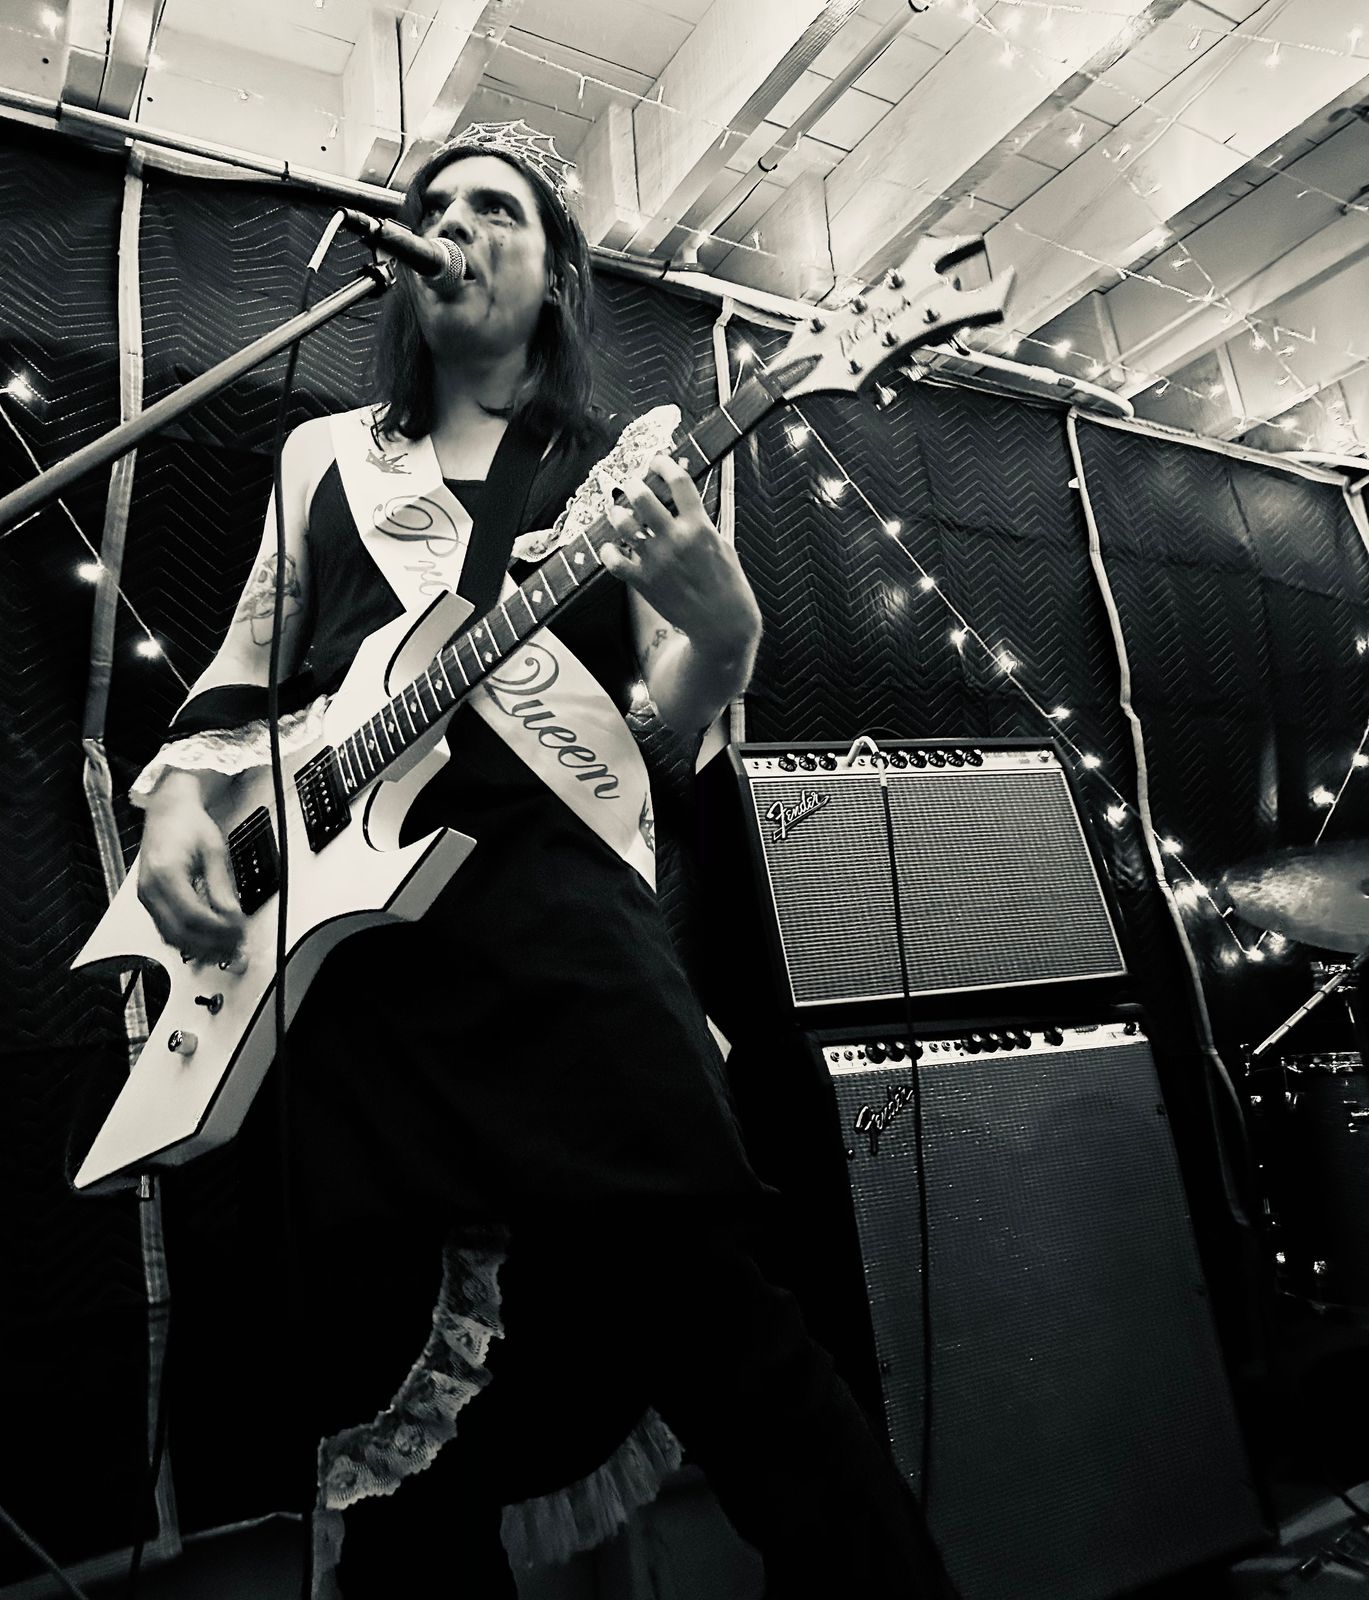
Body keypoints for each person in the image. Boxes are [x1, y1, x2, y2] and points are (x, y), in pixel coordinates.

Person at [130, 120, 960, 1598]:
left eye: (494, 209)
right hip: (359, 982)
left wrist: (724, 635)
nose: (453, 224)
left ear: (559, 273)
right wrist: (178, 805)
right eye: (433, 205)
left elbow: (659, 721)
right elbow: (243, 671)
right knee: (394, 1436)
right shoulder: (327, 458)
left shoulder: (621, 465)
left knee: (738, 1351)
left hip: (567, 946)